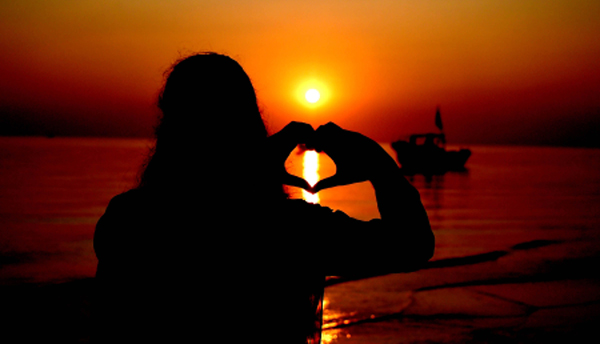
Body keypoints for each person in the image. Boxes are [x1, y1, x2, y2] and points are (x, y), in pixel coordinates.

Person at [93, 52, 434, 343]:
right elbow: (413, 244)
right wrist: (378, 163)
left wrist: (250, 168)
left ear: (168, 132)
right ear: (252, 128)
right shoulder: (291, 230)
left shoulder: (126, 220)